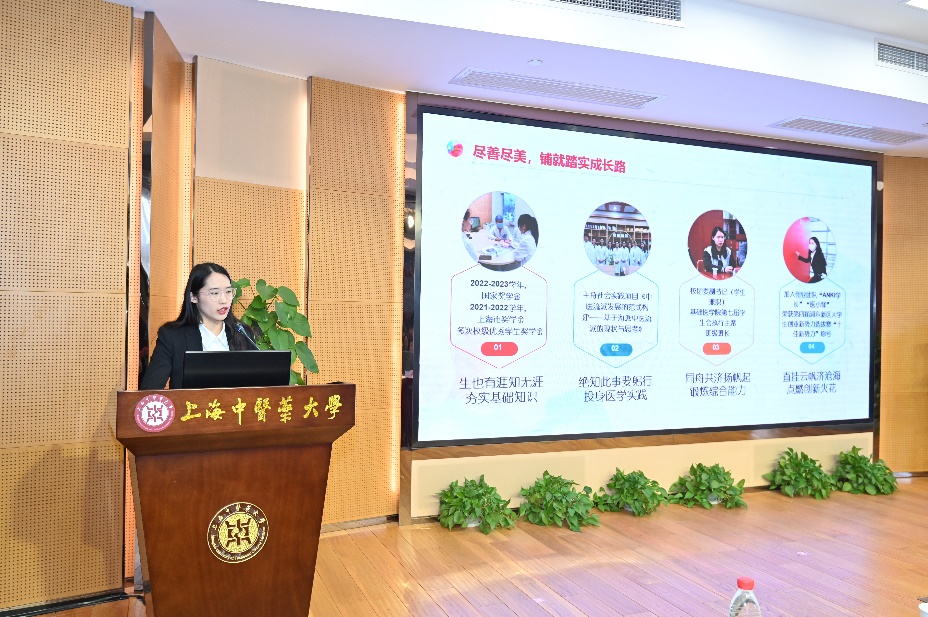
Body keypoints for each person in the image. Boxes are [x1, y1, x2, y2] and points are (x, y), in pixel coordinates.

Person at [139, 262, 257, 390]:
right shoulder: (173, 337)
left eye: (228, 291)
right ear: (193, 297)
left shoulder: (243, 333)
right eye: (214, 293)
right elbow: (149, 390)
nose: (224, 300)